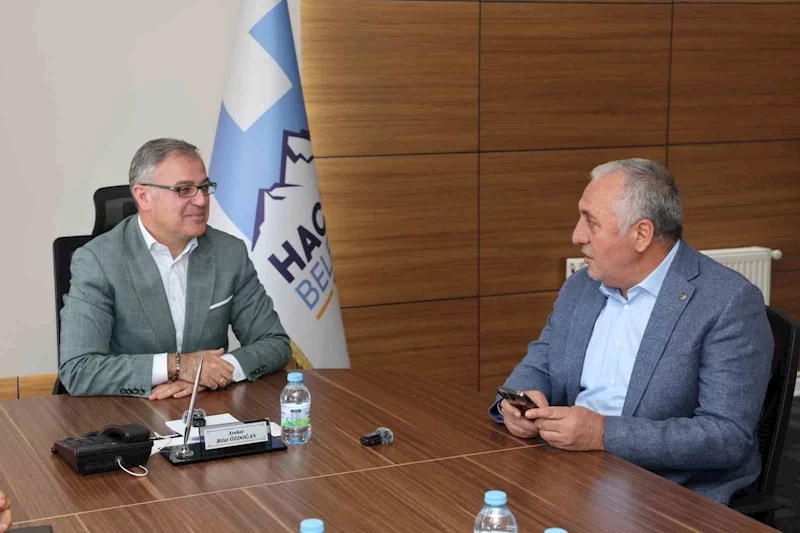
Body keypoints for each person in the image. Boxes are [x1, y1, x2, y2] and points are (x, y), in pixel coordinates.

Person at [490, 158, 772, 504]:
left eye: (591, 222)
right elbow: (542, 358)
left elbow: (726, 437)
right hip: (570, 469)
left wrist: (603, 434)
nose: (577, 236)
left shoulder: (727, 301)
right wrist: (519, 401)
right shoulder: (582, 285)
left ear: (641, 234)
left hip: (668, 491)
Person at [59, 138, 291, 399]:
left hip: (207, 408)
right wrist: (177, 365)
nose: (201, 200)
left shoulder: (228, 252)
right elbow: (79, 370)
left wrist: (215, 373)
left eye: (204, 187)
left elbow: (275, 343)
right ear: (143, 196)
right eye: (184, 189)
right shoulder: (98, 260)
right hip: (129, 411)